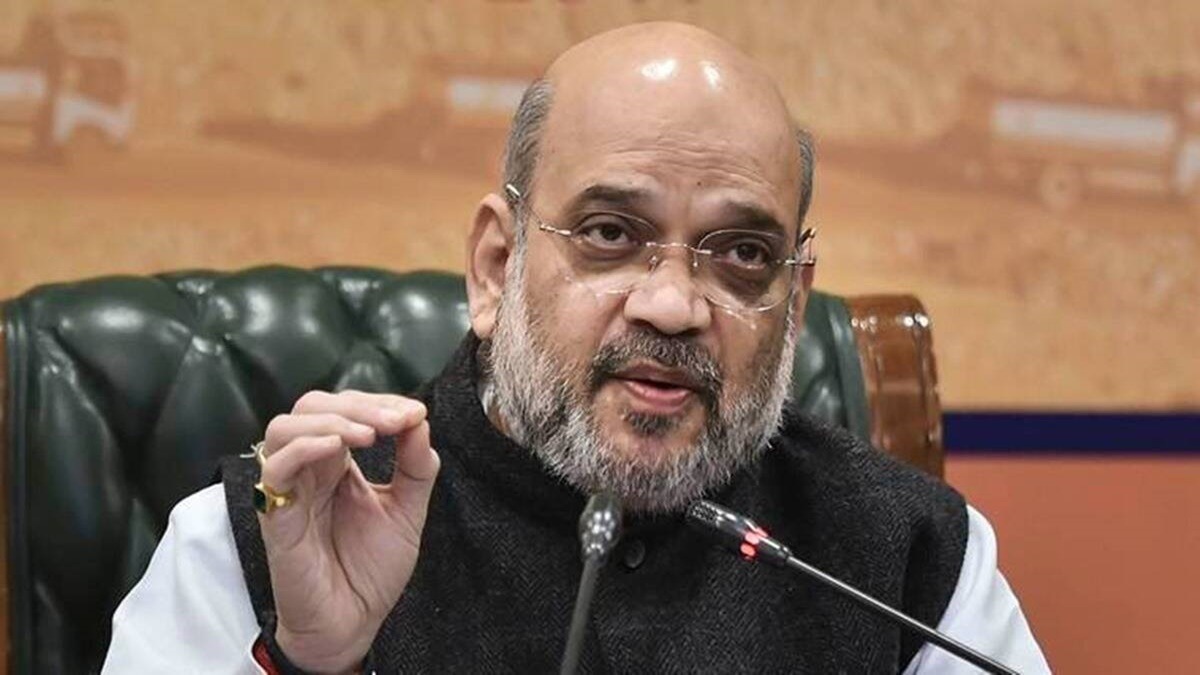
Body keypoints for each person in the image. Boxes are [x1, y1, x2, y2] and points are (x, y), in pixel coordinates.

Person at [103, 22, 1049, 674]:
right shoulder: (265, 539)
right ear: (495, 267)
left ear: (792, 305)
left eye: (742, 254)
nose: (673, 305)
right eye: (609, 233)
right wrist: (312, 662)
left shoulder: (912, 561)